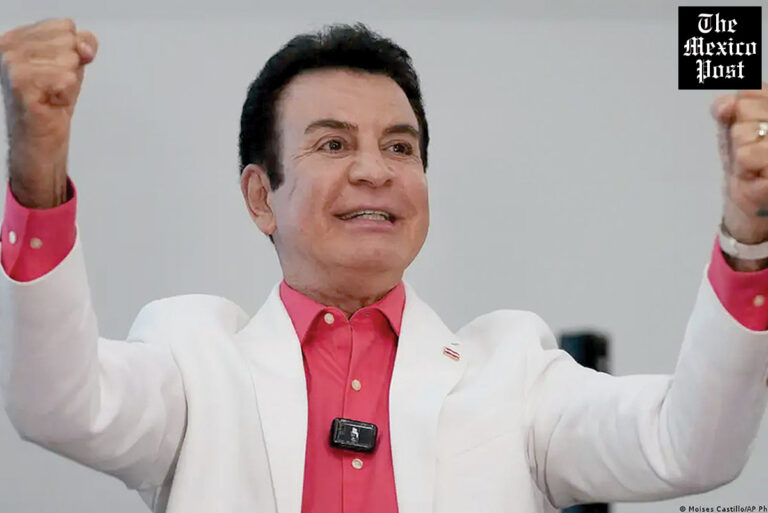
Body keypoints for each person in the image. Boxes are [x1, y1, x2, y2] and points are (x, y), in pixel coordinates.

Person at [1, 18, 768, 513]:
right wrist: (38, 173)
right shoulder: (194, 358)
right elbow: (59, 406)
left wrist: (749, 233)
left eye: (400, 147)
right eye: (333, 143)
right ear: (261, 197)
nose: (375, 171)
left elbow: (687, 445)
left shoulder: (514, 372)